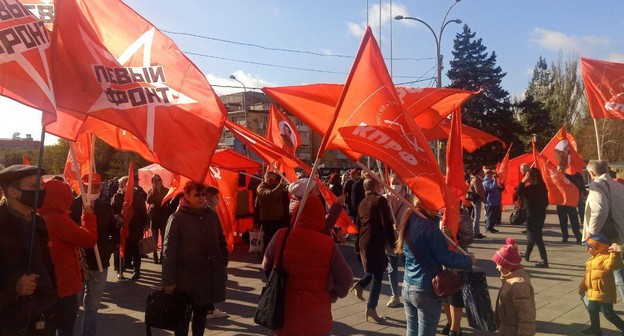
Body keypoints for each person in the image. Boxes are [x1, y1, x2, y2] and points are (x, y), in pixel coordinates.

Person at [262, 180, 353, 335]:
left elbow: (266, 265)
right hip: (317, 320)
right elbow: (346, 279)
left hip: (282, 316)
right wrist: (333, 294)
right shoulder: (327, 244)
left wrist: (278, 280)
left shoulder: (281, 235)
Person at [397, 198, 475, 336]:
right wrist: (468, 260)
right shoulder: (429, 227)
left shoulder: (408, 219)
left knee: (412, 330)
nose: (438, 208)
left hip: (408, 284)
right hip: (425, 288)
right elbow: (445, 257)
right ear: (424, 205)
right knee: (426, 332)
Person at [162, 182, 229, 336]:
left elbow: (220, 240)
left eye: (203, 195)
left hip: (206, 277)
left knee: (200, 317)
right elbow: (169, 251)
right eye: (196, 195)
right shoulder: (177, 218)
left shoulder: (211, 214)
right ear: (186, 196)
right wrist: (168, 281)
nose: (201, 198)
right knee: (182, 319)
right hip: (184, 279)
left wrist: (222, 260)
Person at [0, 165, 59, 335]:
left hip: (44, 315)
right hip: (12, 322)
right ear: (13, 191)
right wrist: (14, 288)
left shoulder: (37, 221)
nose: (41, 192)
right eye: (34, 187)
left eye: (42, 186)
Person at [38, 179, 97, 336]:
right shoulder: (58, 220)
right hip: (64, 284)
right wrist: (88, 217)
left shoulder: (40, 216)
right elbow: (89, 239)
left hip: (48, 284)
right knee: (65, 327)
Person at [69, 174, 118, 336]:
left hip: (100, 263)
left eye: (96, 187)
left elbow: (114, 231)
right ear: (81, 186)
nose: (93, 190)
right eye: (88, 186)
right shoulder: (72, 206)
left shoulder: (105, 207)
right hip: (77, 264)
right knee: (71, 306)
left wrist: (109, 248)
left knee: (91, 308)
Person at [350, 177, 396, 322]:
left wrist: (357, 245)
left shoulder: (363, 202)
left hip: (365, 240)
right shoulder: (380, 200)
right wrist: (394, 244)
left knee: (378, 269)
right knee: (378, 275)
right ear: (376, 186)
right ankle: (371, 308)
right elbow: (387, 223)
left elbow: (357, 224)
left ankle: (360, 284)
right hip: (375, 241)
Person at [584, 160, 624, 300]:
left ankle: (601, 302)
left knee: (617, 274)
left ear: (592, 173)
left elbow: (600, 210)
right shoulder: (618, 185)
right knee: (618, 271)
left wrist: (591, 233)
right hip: (619, 233)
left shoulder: (597, 185)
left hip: (606, 237)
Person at [579, 233, 624, 335]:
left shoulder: (606, 258)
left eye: (589, 247)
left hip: (604, 293)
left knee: (608, 314)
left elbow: (615, 265)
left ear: (596, 247)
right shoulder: (592, 259)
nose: (587, 249)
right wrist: (582, 287)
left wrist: (614, 254)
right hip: (593, 292)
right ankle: (595, 328)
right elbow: (587, 276)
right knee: (591, 309)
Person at [492, 238, 536, 336]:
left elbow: (526, 315)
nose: (496, 267)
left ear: (507, 265)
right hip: (506, 329)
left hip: (514, 331)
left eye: (498, 264)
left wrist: (525, 333)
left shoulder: (519, 285)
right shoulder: (509, 280)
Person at [383, 174, 413, 308]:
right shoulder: (385, 198)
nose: (395, 185)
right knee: (392, 269)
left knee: (408, 267)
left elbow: (414, 218)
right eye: (392, 182)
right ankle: (395, 295)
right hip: (390, 239)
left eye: (397, 182)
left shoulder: (409, 198)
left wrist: (402, 226)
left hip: (405, 238)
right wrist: (384, 201)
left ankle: (409, 294)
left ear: (402, 183)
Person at [111, 176, 149, 280]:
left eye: (122, 183)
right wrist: (117, 217)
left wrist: (146, 223)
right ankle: (120, 270)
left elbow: (143, 210)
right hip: (122, 226)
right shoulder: (117, 196)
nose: (120, 186)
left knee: (136, 249)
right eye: (120, 184)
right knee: (122, 248)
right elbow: (112, 210)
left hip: (136, 226)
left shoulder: (137, 196)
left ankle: (136, 270)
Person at [517, 167, 550, 268]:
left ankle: (544, 261)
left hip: (531, 216)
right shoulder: (543, 187)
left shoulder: (528, 189)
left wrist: (522, 181)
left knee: (537, 238)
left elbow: (518, 193)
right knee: (531, 236)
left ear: (529, 177)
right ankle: (527, 254)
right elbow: (546, 203)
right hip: (540, 215)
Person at [256, 171, 289, 253]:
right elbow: (270, 195)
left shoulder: (276, 185)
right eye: (270, 177)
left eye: (274, 177)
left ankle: (275, 254)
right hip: (268, 219)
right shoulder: (261, 187)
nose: (272, 179)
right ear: (265, 178)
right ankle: (266, 255)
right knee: (268, 239)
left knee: (277, 239)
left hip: (279, 218)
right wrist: (280, 186)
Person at [556, 164, 583, 243]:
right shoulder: (556, 179)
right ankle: (565, 236)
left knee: (574, 221)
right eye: (558, 169)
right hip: (561, 203)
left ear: (564, 169)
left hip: (571, 203)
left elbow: (576, 188)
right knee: (563, 221)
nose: (560, 171)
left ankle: (578, 236)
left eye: (561, 169)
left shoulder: (571, 178)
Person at [146, 174, 169, 264]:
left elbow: (168, 201)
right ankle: (155, 255)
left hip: (163, 216)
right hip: (154, 217)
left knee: (164, 237)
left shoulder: (166, 190)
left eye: (159, 180)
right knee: (154, 238)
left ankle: (163, 255)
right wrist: (154, 189)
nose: (157, 182)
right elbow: (149, 201)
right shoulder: (151, 191)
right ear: (152, 182)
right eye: (155, 180)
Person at [483, 166, 504, 234]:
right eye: (491, 174)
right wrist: (495, 180)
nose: (493, 175)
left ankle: (491, 227)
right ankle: (488, 227)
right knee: (490, 215)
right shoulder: (486, 181)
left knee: (494, 215)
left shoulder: (491, 180)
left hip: (495, 200)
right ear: (488, 174)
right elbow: (491, 188)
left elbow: (497, 187)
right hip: (491, 200)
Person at [468, 168, 487, 239]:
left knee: (477, 216)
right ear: (478, 172)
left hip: (476, 199)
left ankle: (477, 232)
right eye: (481, 172)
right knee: (477, 217)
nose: (482, 173)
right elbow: (479, 191)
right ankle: (476, 233)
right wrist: (485, 200)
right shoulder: (476, 180)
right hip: (476, 200)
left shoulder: (476, 179)